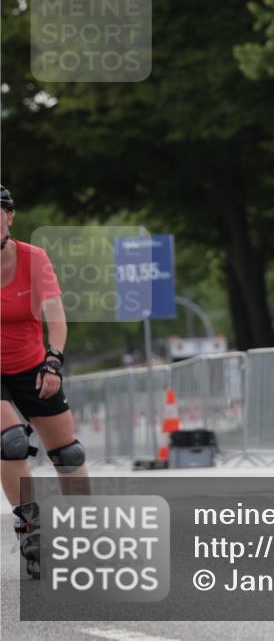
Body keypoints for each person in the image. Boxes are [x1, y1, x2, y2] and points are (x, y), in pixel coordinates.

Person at [0, 184, 91, 579]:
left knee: (67, 455)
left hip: (33, 365)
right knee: (10, 441)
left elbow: (55, 316)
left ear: (9, 216)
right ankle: (30, 527)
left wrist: (53, 363)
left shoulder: (33, 259)